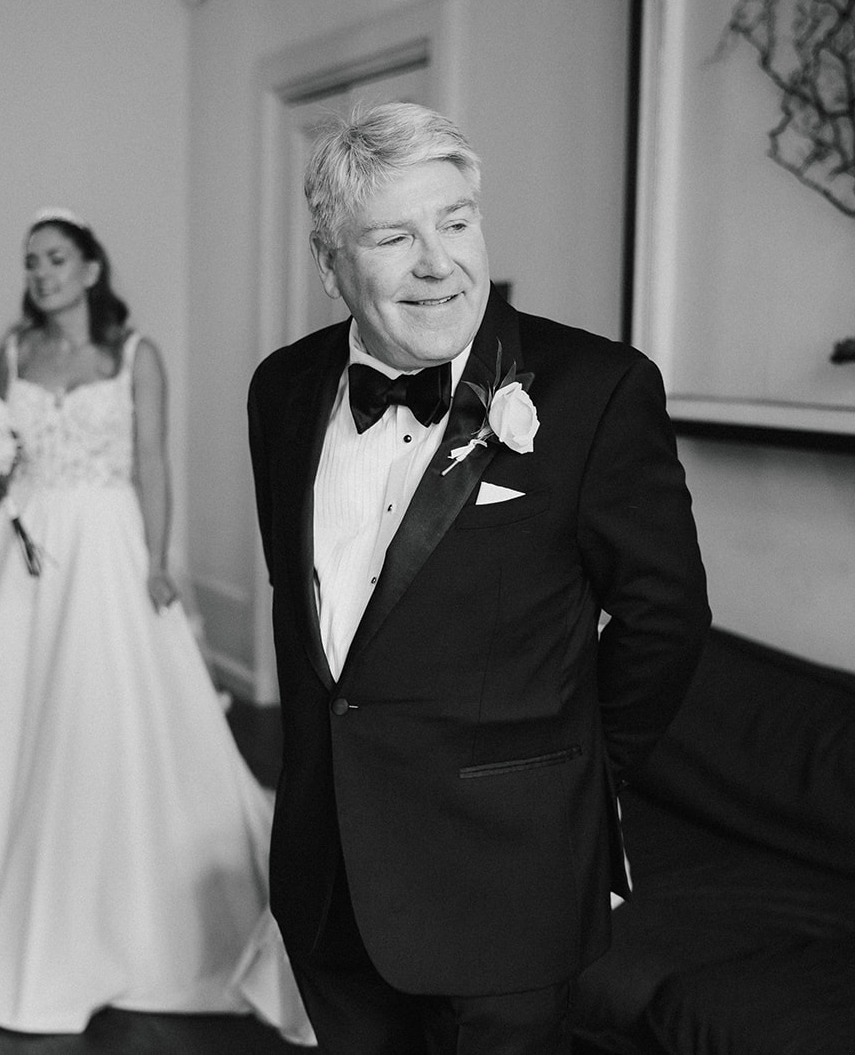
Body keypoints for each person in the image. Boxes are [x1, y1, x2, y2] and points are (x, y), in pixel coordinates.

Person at [246, 102, 711, 1053]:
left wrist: (579, 786)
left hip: (509, 884)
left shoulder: (594, 389)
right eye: (393, 236)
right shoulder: (281, 390)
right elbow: (309, 619)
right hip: (328, 877)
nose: (438, 262)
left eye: (456, 222)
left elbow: (666, 619)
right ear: (330, 263)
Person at [0, 208, 313, 1045]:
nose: (41, 273)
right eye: (30, 261)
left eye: (55, 259)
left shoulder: (135, 355)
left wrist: (159, 559)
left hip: (107, 544)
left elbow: (153, 461)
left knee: (102, 711)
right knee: (0, 717)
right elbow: (8, 456)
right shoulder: (14, 350)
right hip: (20, 546)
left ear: (92, 268)